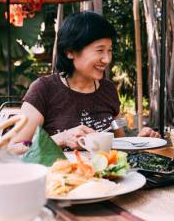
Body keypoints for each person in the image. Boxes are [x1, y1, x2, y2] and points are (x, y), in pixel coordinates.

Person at [14, 11, 158, 151]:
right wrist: (61, 138)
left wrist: (139, 142)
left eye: (110, 50)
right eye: (100, 50)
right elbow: (15, 147)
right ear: (69, 51)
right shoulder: (44, 89)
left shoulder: (108, 89)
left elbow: (118, 145)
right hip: (60, 174)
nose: (107, 59)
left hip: (103, 174)